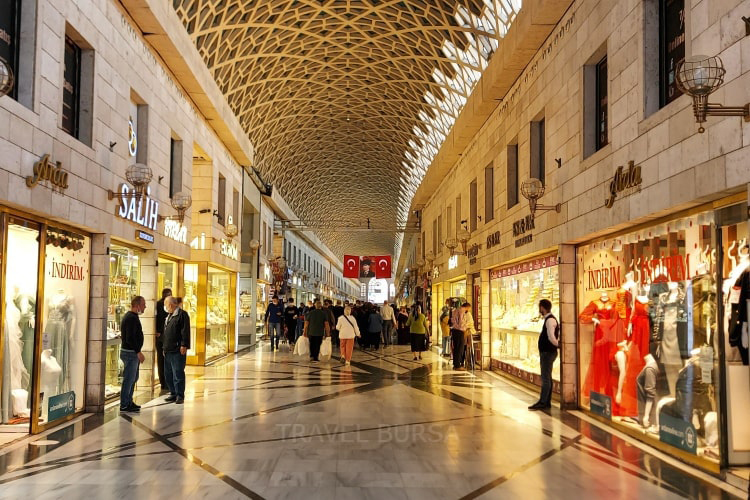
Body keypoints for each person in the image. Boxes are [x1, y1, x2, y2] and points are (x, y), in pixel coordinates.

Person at [529, 299, 560, 411]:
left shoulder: (550, 320)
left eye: (540, 307)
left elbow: (552, 337)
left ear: (543, 307)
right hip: (548, 352)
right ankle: (546, 401)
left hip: (548, 353)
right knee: (547, 377)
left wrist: (557, 345)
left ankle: (543, 401)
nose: (539, 309)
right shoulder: (548, 319)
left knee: (545, 377)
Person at [120, 296, 146, 412]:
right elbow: (130, 337)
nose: (145, 306)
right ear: (137, 305)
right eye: (143, 304)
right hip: (130, 353)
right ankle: (125, 404)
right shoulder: (131, 318)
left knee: (133, 378)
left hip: (132, 352)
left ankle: (128, 401)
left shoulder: (133, 317)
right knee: (129, 379)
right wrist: (138, 351)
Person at [163, 296, 191, 404]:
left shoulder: (182, 315)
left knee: (178, 372)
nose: (165, 307)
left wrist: (184, 344)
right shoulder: (169, 316)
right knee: (168, 373)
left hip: (177, 350)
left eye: (166, 304)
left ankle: (180, 395)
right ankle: (173, 392)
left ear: (171, 304)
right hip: (168, 349)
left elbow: (185, 330)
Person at [155, 288, 172, 394]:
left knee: (162, 359)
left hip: (161, 335)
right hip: (164, 336)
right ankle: (165, 382)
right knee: (164, 359)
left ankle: (164, 382)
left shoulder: (158, 305)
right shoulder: (160, 305)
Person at [451, 302, 470, 370]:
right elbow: (461, 322)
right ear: (467, 307)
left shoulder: (456, 310)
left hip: (454, 331)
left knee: (456, 348)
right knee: (460, 348)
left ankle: (455, 364)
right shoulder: (462, 311)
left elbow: (453, 320)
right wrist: (465, 328)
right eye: (468, 308)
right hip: (459, 331)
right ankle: (458, 366)